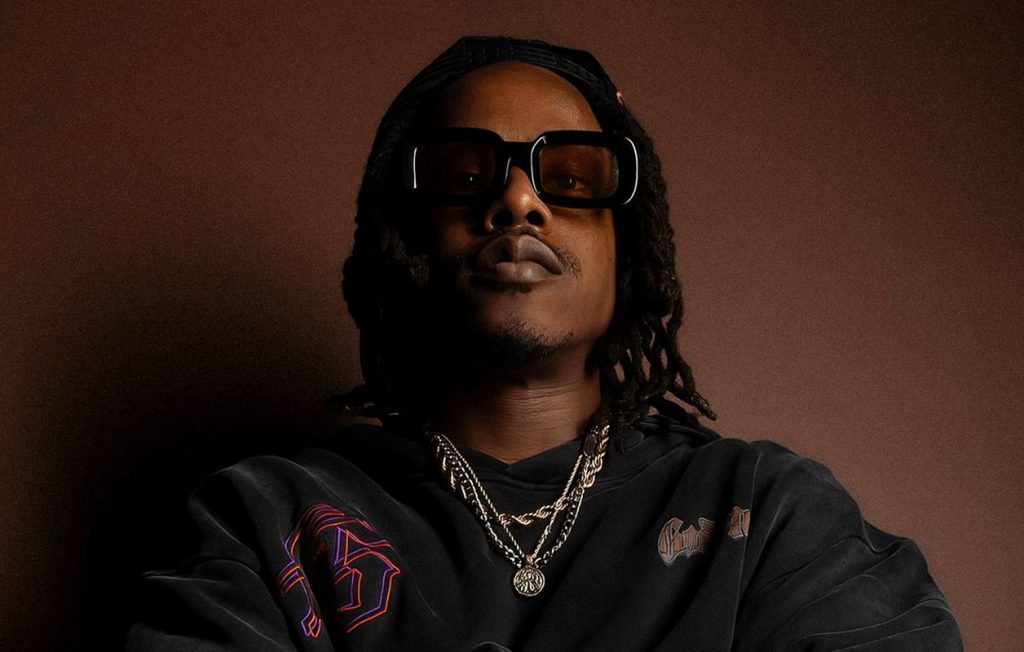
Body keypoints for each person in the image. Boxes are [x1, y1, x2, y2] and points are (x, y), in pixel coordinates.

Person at [127, 37, 962, 651]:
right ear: (404, 242)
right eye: (464, 175)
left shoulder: (769, 513)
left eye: (571, 178)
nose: (520, 201)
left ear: (629, 248)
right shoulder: (268, 520)